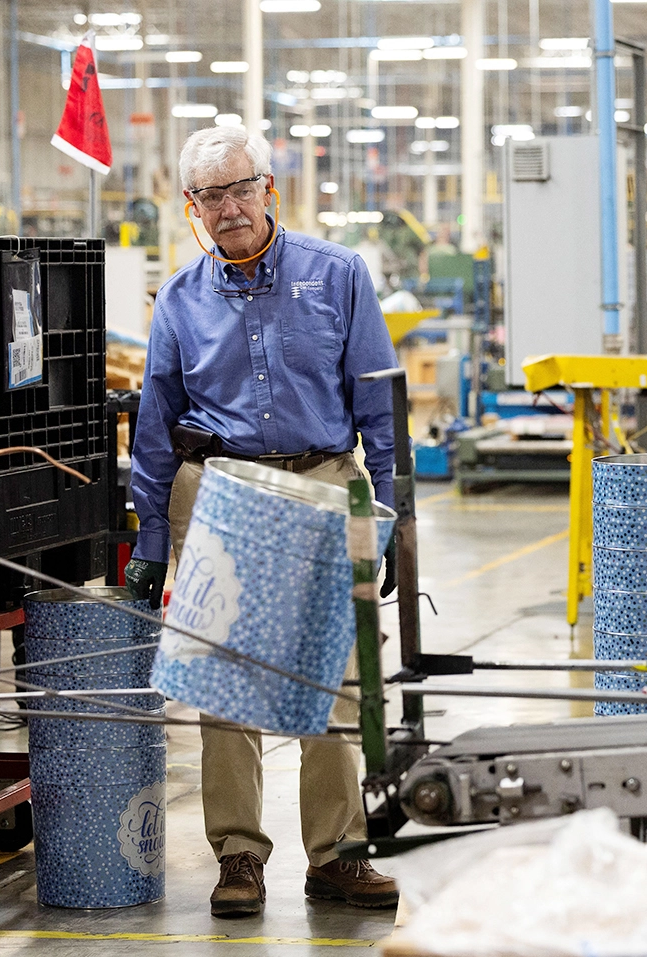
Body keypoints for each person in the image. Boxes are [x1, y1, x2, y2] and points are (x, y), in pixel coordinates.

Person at [125, 126, 399, 918]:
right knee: (226, 681)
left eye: (242, 188)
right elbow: (156, 422)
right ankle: (239, 854)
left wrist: (389, 513)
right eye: (212, 195)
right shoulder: (179, 299)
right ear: (193, 209)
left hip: (323, 480)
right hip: (223, 488)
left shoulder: (337, 275)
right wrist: (148, 536)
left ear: (269, 189)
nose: (230, 206)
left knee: (337, 680)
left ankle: (339, 854)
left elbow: (377, 403)